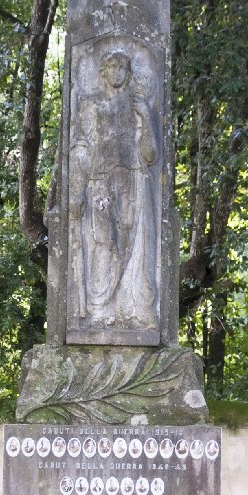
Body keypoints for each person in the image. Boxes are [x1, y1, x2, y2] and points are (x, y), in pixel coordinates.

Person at [70, 47, 160, 330]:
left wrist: (146, 118)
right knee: (103, 242)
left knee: (131, 245)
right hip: (100, 181)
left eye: (123, 67)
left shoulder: (137, 105)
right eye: (112, 66)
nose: (118, 72)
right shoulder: (91, 103)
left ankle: (128, 310)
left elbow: (150, 155)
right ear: (103, 71)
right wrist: (76, 190)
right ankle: (97, 310)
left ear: (128, 72)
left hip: (131, 180)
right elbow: (81, 146)